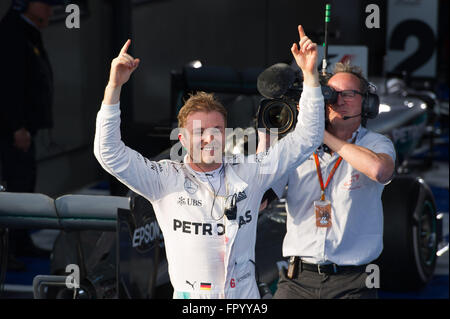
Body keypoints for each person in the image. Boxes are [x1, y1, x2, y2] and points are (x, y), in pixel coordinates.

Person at [94, 25, 325, 299]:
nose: (208, 139)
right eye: (200, 132)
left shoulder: (251, 172)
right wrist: (114, 87)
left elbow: (308, 136)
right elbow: (108, 152)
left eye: (216, 130)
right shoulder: (164, 178)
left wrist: (310, 76)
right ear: (181, 138)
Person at [261, 61, 396, 299]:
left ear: (367, 103)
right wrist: (267, 138)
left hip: (353, 283)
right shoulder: (297, 146)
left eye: (349, 94)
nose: (338, 100)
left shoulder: (376, 143)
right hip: (297, 279)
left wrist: (317, 132)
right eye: (332, 94)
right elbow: (261, 199)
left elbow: (379, 170)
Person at [0, 0, 62, 271]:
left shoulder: (27, 32)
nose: (50, 10)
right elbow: (8, 85)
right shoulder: (12, 34)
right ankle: (9, 248)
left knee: (24, 184)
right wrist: (16, 127)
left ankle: (20, 240)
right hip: (14, 130)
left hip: (24, 128)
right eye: (45, 4)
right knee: (14, 186)